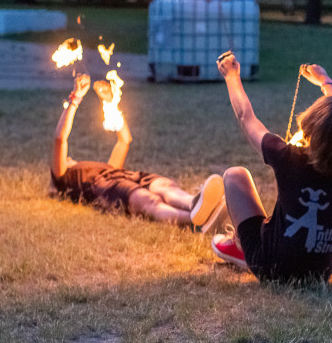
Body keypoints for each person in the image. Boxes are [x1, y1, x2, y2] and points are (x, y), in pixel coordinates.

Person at [212, 51, 332, 284]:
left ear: (311, 129)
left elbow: (246, 117)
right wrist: (326, 82)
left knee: (235, 175)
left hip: (270, 267)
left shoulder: (288, 157)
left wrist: (231, 76)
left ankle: (241, 246)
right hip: (320, 274)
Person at [52, 73, 226, 228]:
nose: (68, 157)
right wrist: (75, 99)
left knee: (165, 186)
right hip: (107, 187)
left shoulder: (105, 168)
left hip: (125, 177)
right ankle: (199, 221)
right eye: (65, 158)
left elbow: (124, 140)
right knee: (150, 201)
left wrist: (110, 102)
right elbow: (60, 139)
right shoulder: (65, 178)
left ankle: (195, 203)